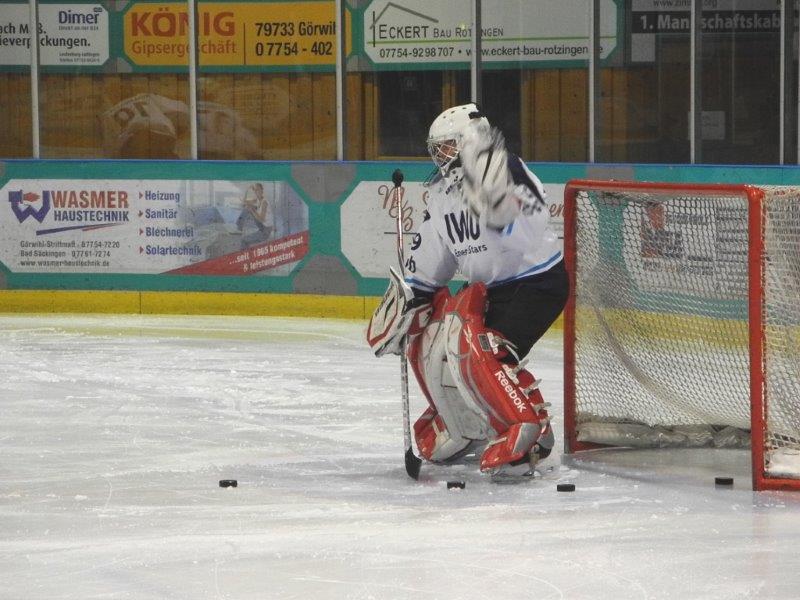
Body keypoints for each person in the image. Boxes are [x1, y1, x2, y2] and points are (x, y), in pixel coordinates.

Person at [367, 103, 569, 477]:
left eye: (447, 145)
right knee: (436, 340)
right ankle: (464, 421)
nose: (440, 155)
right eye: (437, 148)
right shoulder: (443, 193)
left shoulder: (505, 168)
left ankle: (526, 433)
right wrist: (413, 295)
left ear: (469, 139)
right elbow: (434, 254)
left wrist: (491, 194)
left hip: (537, 283)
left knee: (485, 349)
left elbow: (526, 223)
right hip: (494, 288)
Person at [237, 182, 273, 247]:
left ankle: (245, 252)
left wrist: (252, 210)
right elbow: (244, 202)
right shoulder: (257, 200)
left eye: (258, 190)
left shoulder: (264, 202)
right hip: (262, 226)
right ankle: (239, 227)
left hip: (265, 231)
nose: (256, 192)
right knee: (247, 208)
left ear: (262, 191)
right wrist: (247, 189)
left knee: (244, 240)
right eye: (255, 190)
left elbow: (262, 219)